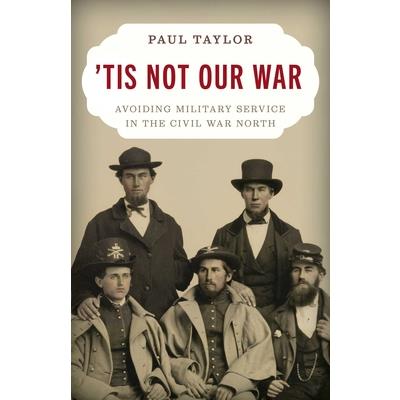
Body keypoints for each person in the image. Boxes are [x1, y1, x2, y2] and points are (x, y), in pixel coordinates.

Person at [72, 147, 193, 320]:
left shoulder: (170, 224)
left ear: (152, 178)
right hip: (117, 319)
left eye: (142, 176)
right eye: (129, 176)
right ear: (120, 179)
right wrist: (82, 299)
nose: (136, 183)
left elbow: (182, 277)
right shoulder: (101, 223)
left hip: (163, 319)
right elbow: (79, 273)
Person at [71, 237, 185, 400]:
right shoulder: (85, 321)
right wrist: (103, 396)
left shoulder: (147, 321)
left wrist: (159, 382)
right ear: (99, 281)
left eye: (125, 276)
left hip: (143, 394)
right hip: (102, 395)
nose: (121, 283)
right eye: (113, 276)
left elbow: (161, 362)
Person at [160, 246, 276, 400]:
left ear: (228, 276)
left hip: (235, 388)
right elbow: (160, 352)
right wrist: (183, 372)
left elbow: (260, 350)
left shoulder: (244, 310)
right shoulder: (179, 310)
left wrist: (233, 382)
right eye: (203, 270)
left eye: (215, 270)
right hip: (195, 388)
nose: (209, 277)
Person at [212, 159, 302, 319]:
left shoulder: (290, 235)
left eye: (261, 189)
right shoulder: (224, 234)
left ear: (271, 193)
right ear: (242, 193)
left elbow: (301, 280)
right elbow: (211, 277)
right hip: (235, 316)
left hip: (279, 318)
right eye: (249, 189)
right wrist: (232, 284)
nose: (255, 196)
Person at [265, 243, 329, 400]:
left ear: (321, 275)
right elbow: (262, 358)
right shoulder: (276, 317)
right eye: (296, 270)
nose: (301, 276)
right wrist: (268, 382)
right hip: (294, 387)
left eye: (308, 269)